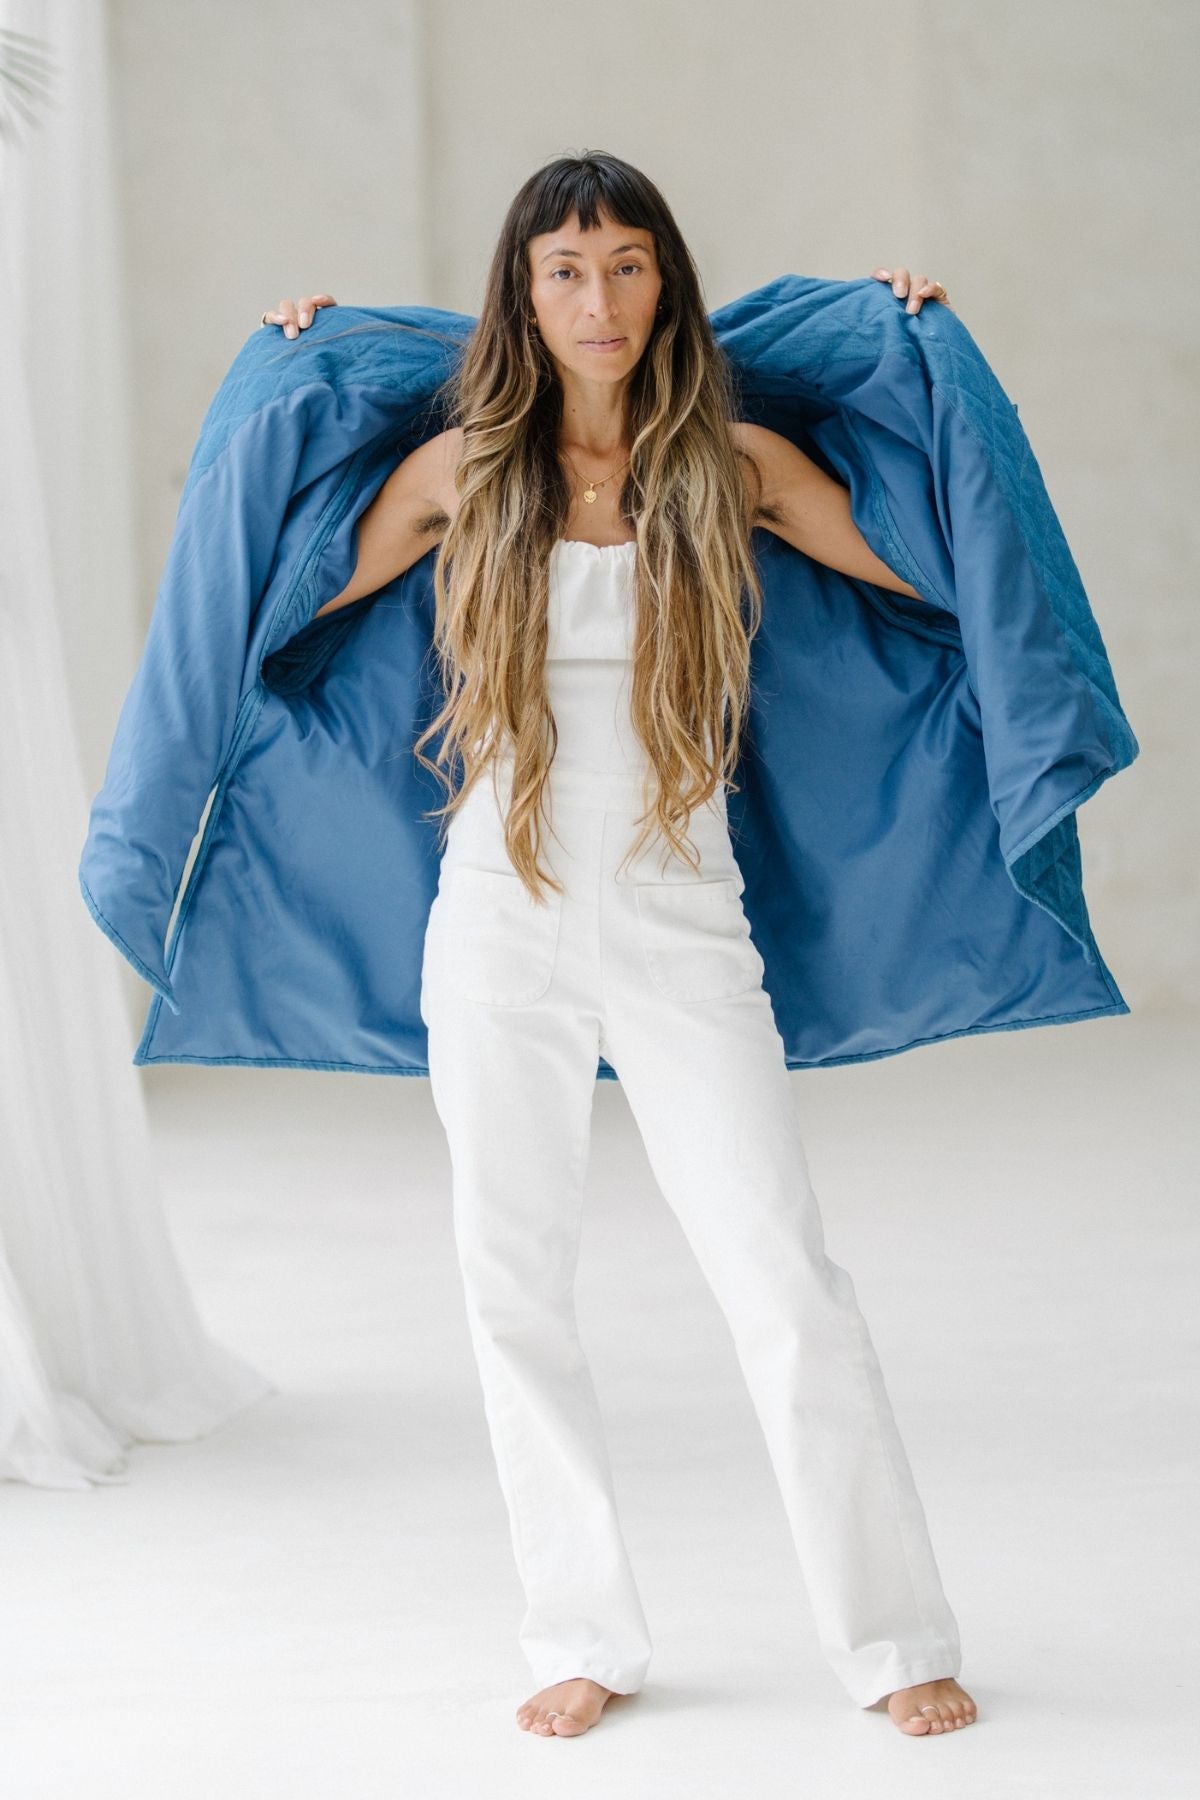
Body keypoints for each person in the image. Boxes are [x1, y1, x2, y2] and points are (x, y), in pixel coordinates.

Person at [260, 151, 977, 1741]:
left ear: (669, 284)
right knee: (511, 1285)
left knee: (785, 1278)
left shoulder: (733, 463)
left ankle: (892, 1633)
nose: (600, 300)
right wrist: (300, 371)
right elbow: (281, 590)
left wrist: (918, 363)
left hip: (678, 913)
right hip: (495, 922)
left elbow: (939, 575)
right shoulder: (465, 472)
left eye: (629, 265)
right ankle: (577, 1627)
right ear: (523, 292)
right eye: (566, 269)